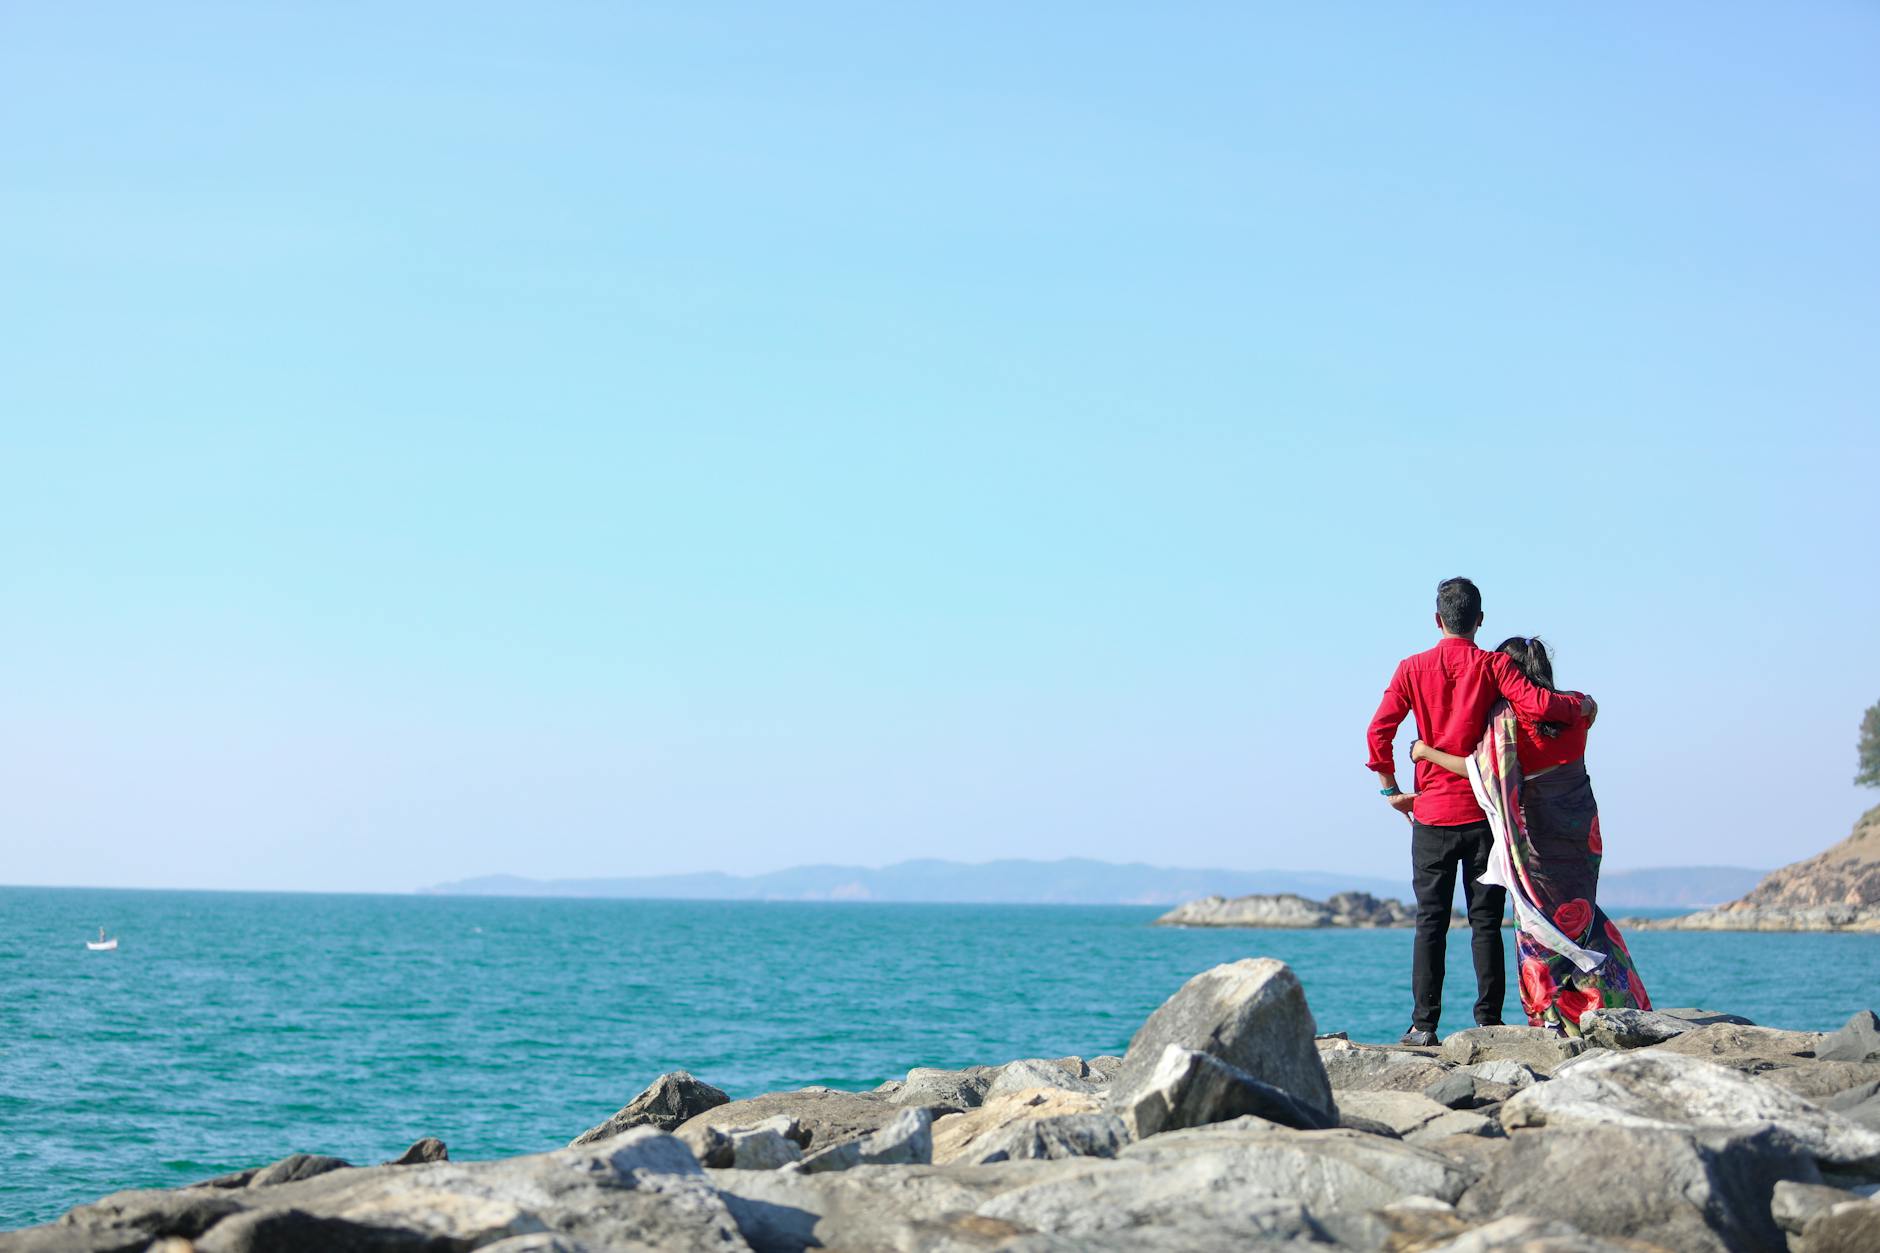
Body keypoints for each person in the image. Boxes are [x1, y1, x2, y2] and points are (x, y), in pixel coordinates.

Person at [1366, 577, 1596, 1046]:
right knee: (1485, 922)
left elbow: (1378, 733)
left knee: (1430, 922)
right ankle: (1488, 1021)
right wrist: (1582, 704)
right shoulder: (1492, 665)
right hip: (1483, 815)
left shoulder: (1411, 668)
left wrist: (1391, 790)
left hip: (1430, 815)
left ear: (1437, 620)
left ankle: (1422, 1026)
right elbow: (1538, 703)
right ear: (1480, 621)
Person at [1409, 636, 1650, 1034]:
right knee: (1579, 913)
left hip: (1536, 836)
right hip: (1580, 831)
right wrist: (1588, 703)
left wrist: (1424, 752)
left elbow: (1478, 770)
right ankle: (1602, 1000)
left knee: (1537, 919)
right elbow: (1592, 709)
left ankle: (1551, 1016)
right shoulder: (1575, 708)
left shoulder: (1509, 723)